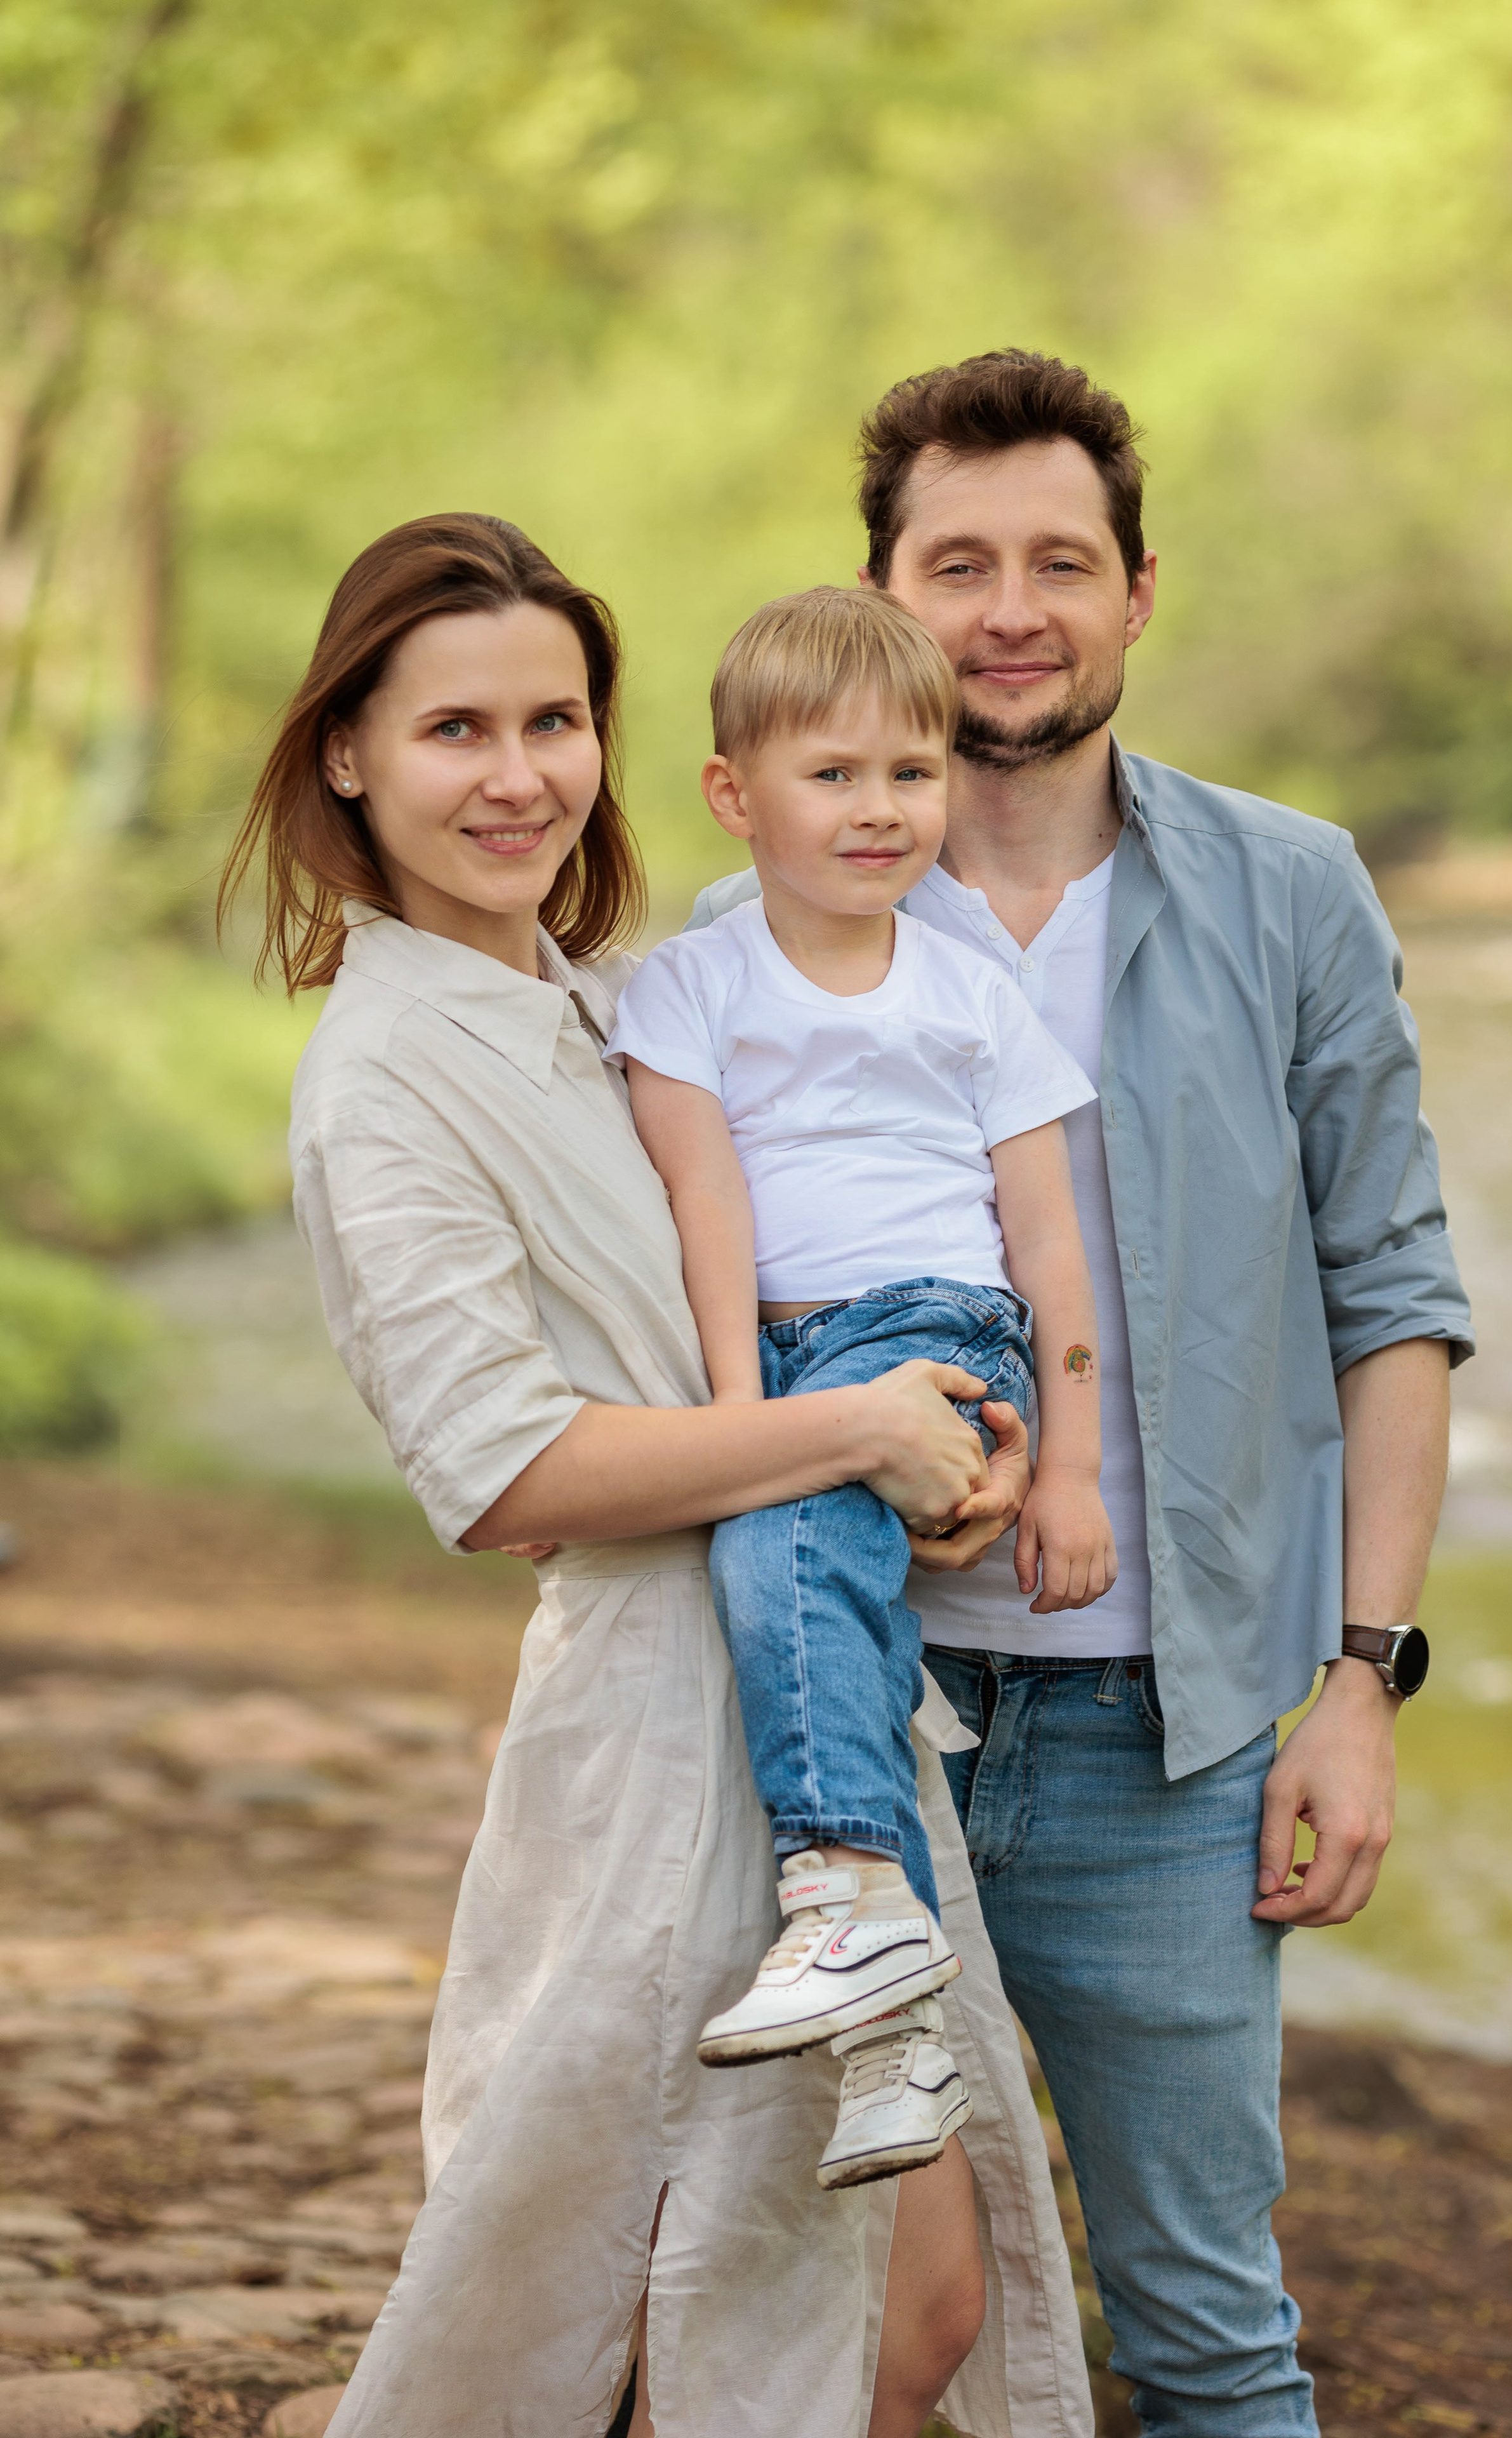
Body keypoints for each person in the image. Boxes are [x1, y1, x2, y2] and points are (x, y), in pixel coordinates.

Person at [220, 509, 1094, 2438]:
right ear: (348, 752)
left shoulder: (628, 991)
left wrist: (951, 1447)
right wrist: (847, 1430)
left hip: (819, 1693)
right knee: (622, 2305)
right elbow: (507, 1464)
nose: (519, 775)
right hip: (646, 1732)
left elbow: (824, 1282)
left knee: (904, 2300)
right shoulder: (384, 1071)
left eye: (555, 720)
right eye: (457, 730)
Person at [689, 349, 1476, 2438]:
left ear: (1140, 594)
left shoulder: (1287, 891)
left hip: (1176, 1742)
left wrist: (1365, 1677)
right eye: (960, 563)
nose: (1010, 607)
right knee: (815, 2313)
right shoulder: (745, 932)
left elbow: (1393, 1290)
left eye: (1061, 559)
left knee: (1210, 2336)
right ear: (883, 590)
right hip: (837, 1742)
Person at [607, 583, 1115, 2194]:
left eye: (912, 772)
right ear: (731, 794)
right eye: (832, 776)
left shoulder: (970, 997)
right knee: (813, 1625)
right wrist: (724, 1421)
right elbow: (707, 1210)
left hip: (932, 1331)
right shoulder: (692, 985)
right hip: (775, 1348)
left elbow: (1049, 1246)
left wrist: (1075, 1467)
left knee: (782, 1564)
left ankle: (844, 1901)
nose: (879, 809)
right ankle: (897, 2041)